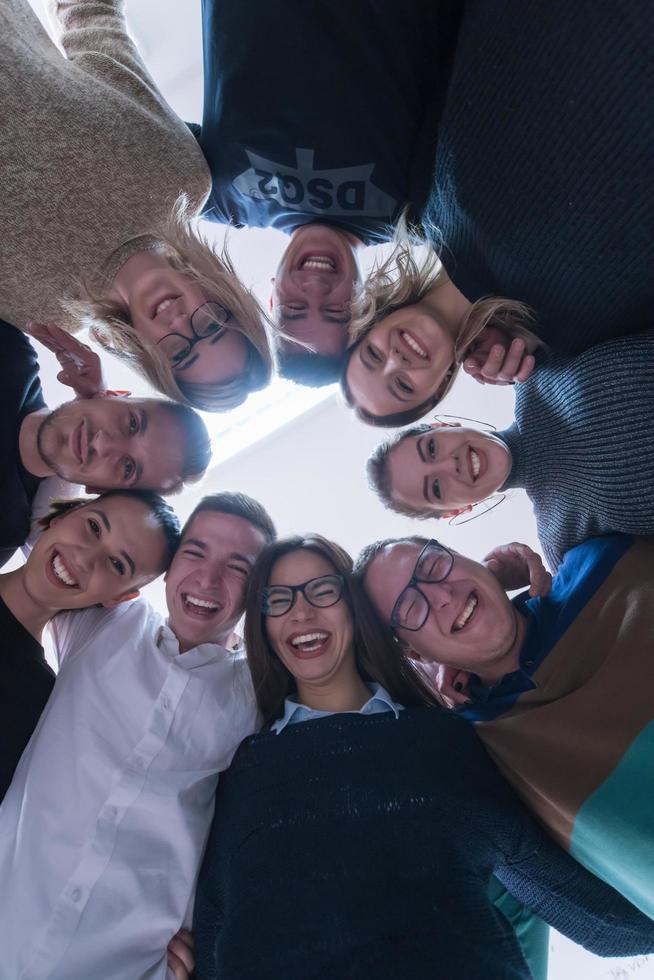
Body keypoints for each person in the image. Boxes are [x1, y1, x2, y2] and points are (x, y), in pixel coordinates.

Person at [192, 535, 654, 980]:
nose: (302, 611)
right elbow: (212, 923)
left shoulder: (447, 739)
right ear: (263, 627)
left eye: (323, 590)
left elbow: (598, 920)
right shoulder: (242, 770)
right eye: (278, 600)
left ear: (356, 614)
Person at [0, 492, 276, 980]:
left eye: (239, 569)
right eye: (195, 552)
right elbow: (59, 523)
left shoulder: (260, 695)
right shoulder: (106, 620)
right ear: (164, 571)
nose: (208, 580)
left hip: (125, 965)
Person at [355, 533, 654, 921]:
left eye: (432, 566)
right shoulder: (476, 751)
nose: (440, 596)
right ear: (416, 654)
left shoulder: (606, 567)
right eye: (411, 608)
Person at [2, 0, 272, 410]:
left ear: (152, 360)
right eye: (211, 324)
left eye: (180, 353)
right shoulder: (179, 178)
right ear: (227, 296)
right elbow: (93, 16)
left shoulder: (41, 311)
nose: (182, 323)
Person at [193, 0, 463, 386]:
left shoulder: (217, 197)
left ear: (271, 299)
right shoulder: (420, 214)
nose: (316, 289)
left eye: (295, 308)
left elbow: (116, 150)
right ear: (366, 304)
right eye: (336, 312)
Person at [366, 328, 654, 570]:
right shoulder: (563, 544)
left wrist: (509, 326)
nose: (449, 464)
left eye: (431, 449)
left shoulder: (531, 360)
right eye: (436, 488)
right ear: (456, 510)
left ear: (446, 425)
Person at [0, 488, 179, 802]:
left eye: (116, 564)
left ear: (119, 597)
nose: (84, 558)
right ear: (67, 514)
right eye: (94, 527)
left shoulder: (33, 701)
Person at [0, 319, 210, 568]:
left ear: (98, 489)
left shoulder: (7, 531)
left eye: (128, 467)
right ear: (114, 395)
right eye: (133, 424)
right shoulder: (11, 354)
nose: (103, 444)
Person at [341, 237, 541, 425]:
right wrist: (535, 343)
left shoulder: (435, 213)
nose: (395, 361)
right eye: (403, 385)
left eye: (373, 354)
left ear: (373, 322)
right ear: (440, 387)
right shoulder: (545, 332)